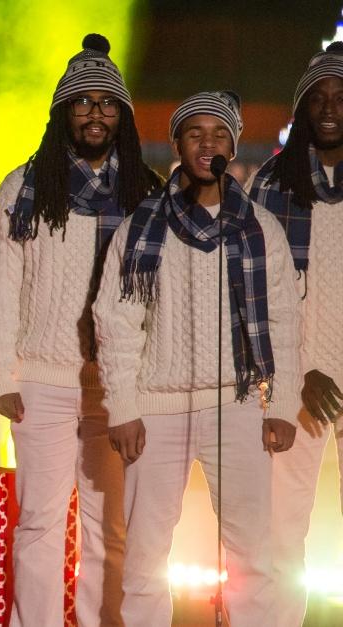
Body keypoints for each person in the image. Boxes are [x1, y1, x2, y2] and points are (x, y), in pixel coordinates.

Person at [93, 91, 300, 627]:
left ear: (231, 145)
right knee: (144, 557)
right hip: (156, 409)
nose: (207, 143)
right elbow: (115, 321)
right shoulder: (141, 227)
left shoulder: (260, 228)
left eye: (218, 134)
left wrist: (280, 404)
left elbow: (283, 321)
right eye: (194, 133)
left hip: (235, 404)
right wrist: (122, 407)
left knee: (253, 553)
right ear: (177, 144)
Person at [0, 33, 160, 626]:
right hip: (43, 379)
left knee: (110, 528)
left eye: (107, 103)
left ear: (123, 116)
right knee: (39, 523)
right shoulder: (23, 189)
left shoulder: (147, 194)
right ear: (63, 112)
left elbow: (158, 298)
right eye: (82, 102)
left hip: (117, 388)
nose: (95, 113)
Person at [248, 42, 343, 627]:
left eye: (342, 98)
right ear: (303, 108)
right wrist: (295, 370)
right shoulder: (272, 185)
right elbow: (256, 297)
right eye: (319, 98)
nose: (331, 108)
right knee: (280, 532)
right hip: (295, 382)